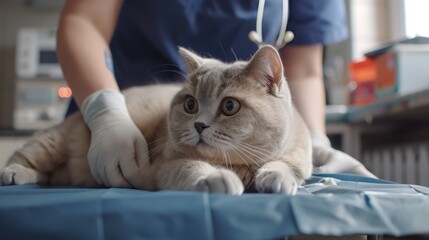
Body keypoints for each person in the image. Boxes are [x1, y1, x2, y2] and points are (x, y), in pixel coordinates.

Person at [57, 0, 374, 188]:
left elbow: (302, 71)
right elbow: (83, 21)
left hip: (241, 134)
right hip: (128, 119)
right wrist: (105, 112)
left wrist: (312, 142)